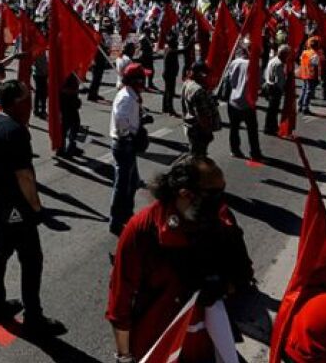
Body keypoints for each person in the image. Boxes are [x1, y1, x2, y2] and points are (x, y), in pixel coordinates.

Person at [107, 156, 253, 363]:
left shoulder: (220, 220)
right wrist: (124, 356)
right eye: (214, 195)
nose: (220, 202)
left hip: (209, 340)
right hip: (162, 344)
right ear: (185, 194)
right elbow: (119, 300)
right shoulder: (143, 229)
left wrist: (222, 285)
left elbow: (242, 273)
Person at [0, 80, 66, 336]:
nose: (30, 103)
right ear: (17, 103)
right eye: (27, 99)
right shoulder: (16, 131)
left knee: (1, 251)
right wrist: (37, 208)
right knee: (31, 259)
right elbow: (24, 176)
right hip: (15, 205)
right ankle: (34, 316)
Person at [110, 63, 148, 235]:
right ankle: (116, 221)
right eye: (142, 78)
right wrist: (130, 135)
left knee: (131, 183)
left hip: (127, 144)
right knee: (122, 185)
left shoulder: (132, 95)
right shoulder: (126, 97)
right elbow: (120, 119)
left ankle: (127, 215)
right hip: (124, 144)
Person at [223, 47, 263, 161]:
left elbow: (228, 80)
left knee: (234, 128)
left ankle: (235, 150)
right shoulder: (254, 65)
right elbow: (259, 84)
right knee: (252, 130)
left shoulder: (233, 63)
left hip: (233, 101)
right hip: (247, 103)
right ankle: (254, 153)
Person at [181, 62, 221, 156]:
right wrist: (207, 130)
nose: (206, 77)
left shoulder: (187, 83)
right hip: (198, 130)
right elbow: (201, 114)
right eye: (205, 74)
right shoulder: (198, 91)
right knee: (199, 156)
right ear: (200, 74)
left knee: (195, 152)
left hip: (190, 125)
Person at [263, 45, 290, 135]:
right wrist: (283, 89)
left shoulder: (272, 60)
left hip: (268, 85)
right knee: (273, 110)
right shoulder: (279, 64)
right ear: (283, 54)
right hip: (275, 89)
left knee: (272, 109)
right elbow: (279, 80)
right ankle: (269, 128)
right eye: (287, 54)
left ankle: (273, 127)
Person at [58, 73, 83, 156]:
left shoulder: (70, 74)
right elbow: (63, 89)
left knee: (66, 127)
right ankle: (69, 147)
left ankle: (62, 147)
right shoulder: (67, 75)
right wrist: (76, 91)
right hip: (68, 104)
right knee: (73, 126)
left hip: (66, 103)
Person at [297, 38, 322, 114]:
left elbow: (301, 60)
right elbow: (315, 66)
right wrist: (317, 77)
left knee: (304, 89)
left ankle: (300, 104)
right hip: (311, 75)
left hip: (304, 73)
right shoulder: (315, 55)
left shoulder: (305, 52)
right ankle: (305, 107)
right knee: (308, 91)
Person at [161, 37, 183, 114]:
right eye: (175, 42)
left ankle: (165, 108)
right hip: (169, 75)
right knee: (170, 92)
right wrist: (191, 41)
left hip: (168, 74)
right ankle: (170, 109)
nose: (177, 44)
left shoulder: (168, 50)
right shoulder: (171, 51)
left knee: (167, 91)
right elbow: (184, 50)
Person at [32, 50, 48, 118]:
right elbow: (38, 63)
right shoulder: (38, 50)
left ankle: (39, 109)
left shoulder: (42, 49)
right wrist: (44, 71)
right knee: (41, 93)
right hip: (39, 73)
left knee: (40, 93)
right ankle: (41, 110)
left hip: (40, 73)